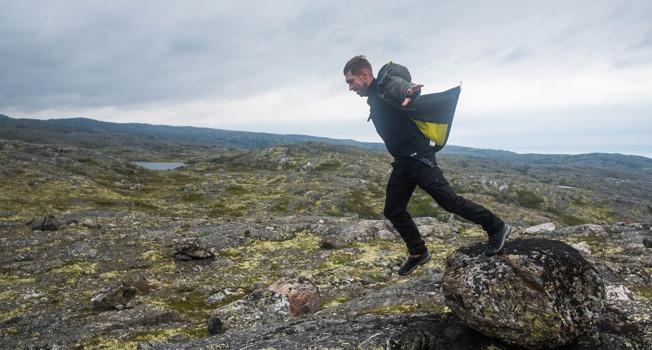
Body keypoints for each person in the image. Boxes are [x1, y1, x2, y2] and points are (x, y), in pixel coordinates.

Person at [343, 55, 511, 276]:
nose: (350, 87)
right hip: (404, 163)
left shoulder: (384, 86)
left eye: (351, 81)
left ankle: (497, 226)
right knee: (393, 210)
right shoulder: (374, 96)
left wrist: (409, 91)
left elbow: (399, 87)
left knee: (449, 201)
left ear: (364, 74)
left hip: (418, 157)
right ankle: (418, 252)